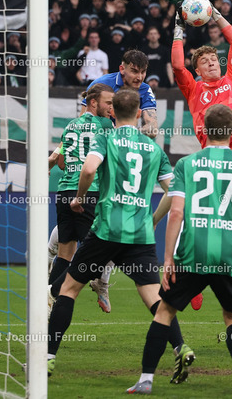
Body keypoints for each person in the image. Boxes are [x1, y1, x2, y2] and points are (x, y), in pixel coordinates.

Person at [47, 89, 194, 379]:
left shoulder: (105, 138)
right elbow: (176, 192)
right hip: (139, 234)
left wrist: (79, 198)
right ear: (139, 113)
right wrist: (154, 219)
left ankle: (48, 358)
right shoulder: (154, 149)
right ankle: (181, 347)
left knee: (68, 289)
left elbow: (88, 170)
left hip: (106, 230)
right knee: (154, 296)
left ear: (113, 112)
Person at [127, 104, 232, 395]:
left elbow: (176, 213)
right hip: (230, 254)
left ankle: (146, 379)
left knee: (164, 312)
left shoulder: (186, 164)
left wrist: (168, 257)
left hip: (192, 252)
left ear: (203, 131)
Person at [172, 0, 232, 324]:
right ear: (198, 69)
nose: (211, 63)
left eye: (214, 59)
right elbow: (177, 66)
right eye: (205, 61)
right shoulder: (193, 88)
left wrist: (216, 15)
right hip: (209, 156)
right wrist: (178, 30)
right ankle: (192, 278)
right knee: (200, 219)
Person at [79, 49, 160, 312]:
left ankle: (98, 280)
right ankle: (53, 255)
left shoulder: (145, 90)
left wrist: (134, 135)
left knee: (116, 221)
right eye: (135, 71)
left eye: (143, 71)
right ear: (122, 68)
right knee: (84, 217)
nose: (140, 77)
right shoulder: (101, 85)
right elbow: (82, 122)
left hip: (120, 160)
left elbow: (152, 126)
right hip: (96, 155)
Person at [48, 84, 114, 286]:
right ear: (93, 102)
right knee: (96, 253)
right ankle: (57, 292)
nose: (111, 108)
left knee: (64, 254)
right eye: (108, 103)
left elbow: (61, 163)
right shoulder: (105, 124)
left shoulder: (70, 125)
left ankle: (49, 297)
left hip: (64, 191)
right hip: (88, 193)